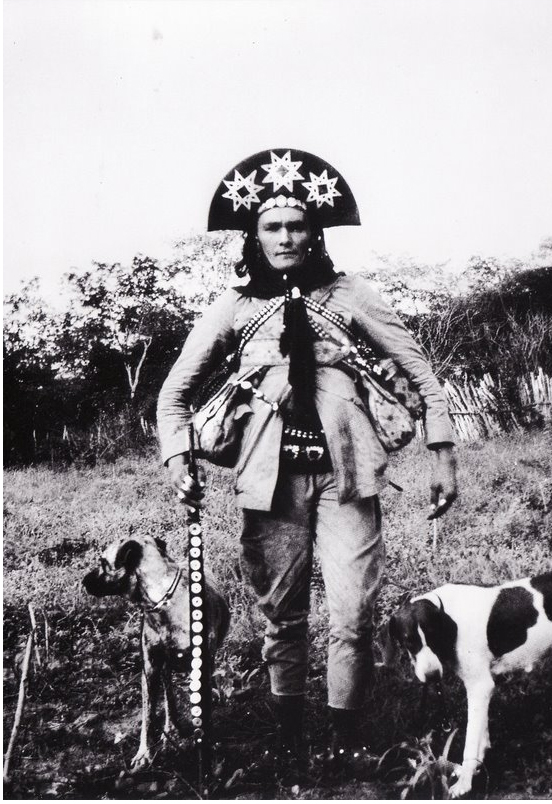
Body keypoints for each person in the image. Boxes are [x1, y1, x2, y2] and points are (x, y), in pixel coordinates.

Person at [157, 148, 457, 777]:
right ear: (254, 235)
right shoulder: (236, 306)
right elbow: (174, 393)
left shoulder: (351, 294)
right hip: (269, 486)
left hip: (348, 480)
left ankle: (345, 742)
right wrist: (178, 459)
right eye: (272, 226)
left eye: (297, 225)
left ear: (314, 232)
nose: (285, 237)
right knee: (282, 617)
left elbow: (420, 371)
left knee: (352, 615)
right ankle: (289, 741)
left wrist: (442, 456)